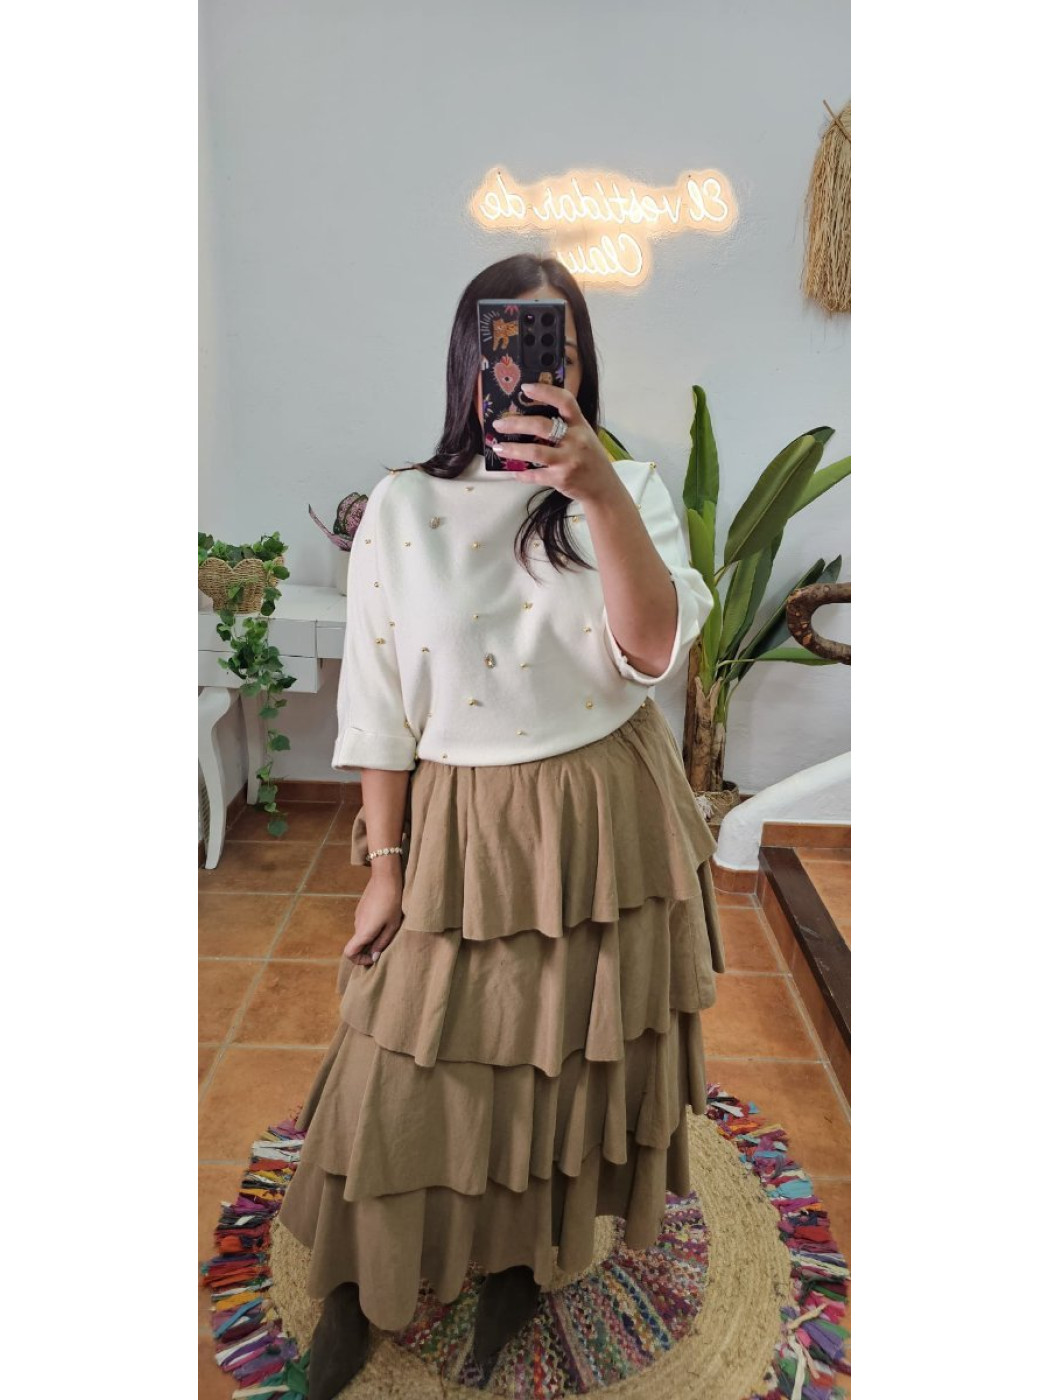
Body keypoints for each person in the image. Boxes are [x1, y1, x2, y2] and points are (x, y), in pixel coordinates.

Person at [276, 253, 727, 1397]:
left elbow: (652, 652)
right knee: (401, 1055)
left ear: (578, 359)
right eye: (508, 340)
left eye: (553, 342)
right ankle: (356, 1282)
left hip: (607, 812)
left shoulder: (630, 489)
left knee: (569, 1052)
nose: (529, 364)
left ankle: (529, 1255)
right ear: (470, 356)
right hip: (462, 816)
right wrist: (385, 865)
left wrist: (599, 492)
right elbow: (377, 699)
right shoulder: (401, 504)